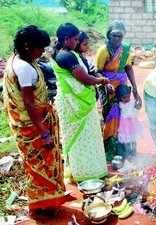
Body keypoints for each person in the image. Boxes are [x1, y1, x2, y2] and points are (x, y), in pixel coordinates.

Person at [3, 25, 68, 215]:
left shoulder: (16, 59)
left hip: (27, 124)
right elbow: (29, 104)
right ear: (27, 46)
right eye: (40, 48)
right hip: (32, 127)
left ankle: (47, 202)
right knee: (41, 167)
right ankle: (44, 207)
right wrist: (44, 131)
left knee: (36, 166)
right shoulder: (23, 68)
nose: (42, 52)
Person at [52, 23, 109, 182]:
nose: (77, 42)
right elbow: (84, 78)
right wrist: (101, 80)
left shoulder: (66, 53)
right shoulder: (66, 56)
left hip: (77, 101)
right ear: (66, 39)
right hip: (75, 104)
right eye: (75, 39)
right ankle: (85, 173)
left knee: (87, 137)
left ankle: (90, 170)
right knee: (81, 138)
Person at [95, 20, 142, 161]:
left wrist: (134, 88)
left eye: (120, 36)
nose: (117, 39)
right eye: (114, 35)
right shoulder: (103, 50)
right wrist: (105, 82)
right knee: (110, 116)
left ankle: (125, 149)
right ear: (108, 35)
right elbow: (97, 71)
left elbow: (128, 68)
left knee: (125, 115)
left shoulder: (125, 49)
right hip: (107, 86)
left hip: (122, 87)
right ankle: (111, 150)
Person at [116, 84, 143, 160]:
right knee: (127, 141)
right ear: (120, 98)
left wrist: (136, 95)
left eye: (128, 96)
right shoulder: (119, 104)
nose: (127, 99)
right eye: (124, 98)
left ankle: (134, 153)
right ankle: (128, 155)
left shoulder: (132, 102)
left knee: (134, 139)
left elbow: (139, 106)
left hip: (133, 124)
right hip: (125, 127)